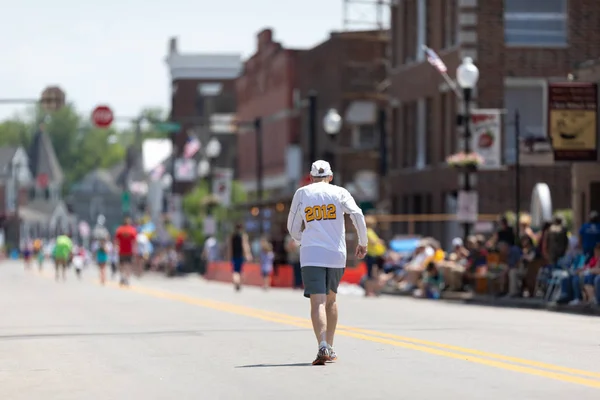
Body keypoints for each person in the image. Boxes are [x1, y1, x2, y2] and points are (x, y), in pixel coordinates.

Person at [287, 160, 368, 366]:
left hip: (312, 254)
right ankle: (329, 347)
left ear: (311, 177)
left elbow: (293, 225)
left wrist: (301, 239)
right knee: (331, 300)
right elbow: (357, 214)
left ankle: (322, 344)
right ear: (330, 177)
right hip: (336, 253)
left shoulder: (303, 193)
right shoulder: (340, 192)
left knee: (318, 301)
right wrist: (363, 242)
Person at [364, 215, 386, 297]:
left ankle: (371, 291)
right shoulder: (368, 231)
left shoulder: (368, 231)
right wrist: (379, 241)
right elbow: (372, 242)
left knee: (372, 274)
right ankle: (369, 291)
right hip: (372, 255)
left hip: (373, 255)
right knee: (371, 274)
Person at [227, 223, 252, 292]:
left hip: (234, 256)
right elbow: (245, 246)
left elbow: (230, 247)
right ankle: (238, 283)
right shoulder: (243, 236)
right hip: (240, 256)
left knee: (235, 271)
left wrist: (229, 256)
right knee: (240, 271)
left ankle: (236, 283)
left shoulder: (232, 236)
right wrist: (248, 254)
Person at [114, 216, 138, 286]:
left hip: (121, 250)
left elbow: (116, 240)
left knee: (121, 265)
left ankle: (122, 277)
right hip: (129, 251)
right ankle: (127, 278)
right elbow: (135, 241)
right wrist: (135, 250)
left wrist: (116, 247)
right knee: (128, 265)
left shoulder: (120, 229)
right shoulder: (132, 230)